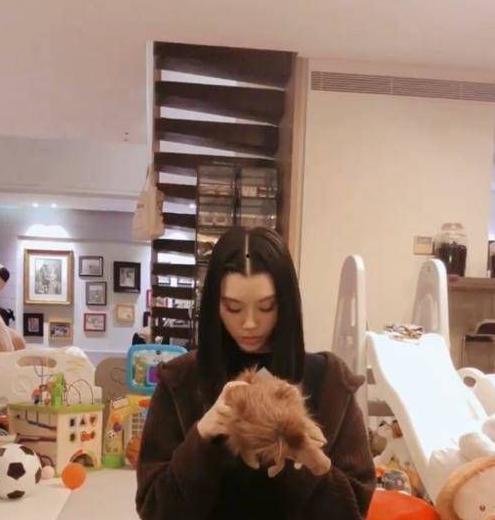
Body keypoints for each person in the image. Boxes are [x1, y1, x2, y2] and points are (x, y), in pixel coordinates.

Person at [136, 227, 376, 520]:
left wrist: (316, 467)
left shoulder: (330, 383)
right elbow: (154, 510)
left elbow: (355, 511)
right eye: (233, 308)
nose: (250, 323)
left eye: (266, 307)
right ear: (214, 305)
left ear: (285, 303)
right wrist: (201, 438)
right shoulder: (180, 381)